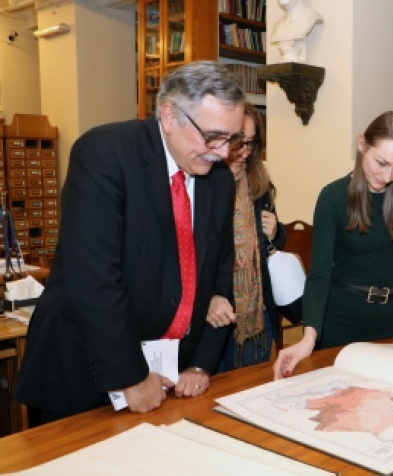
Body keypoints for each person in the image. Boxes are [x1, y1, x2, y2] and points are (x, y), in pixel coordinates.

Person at [14, 61, 245, 424]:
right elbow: (93, 279)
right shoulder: (105, 153)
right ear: (169, 116)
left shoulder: (219, 182)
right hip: (87, 373)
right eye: (213, 136)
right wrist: (130, 376)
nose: (223, 152)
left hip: (167, 378)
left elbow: (219, 277)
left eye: (232, 139)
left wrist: (200, 364)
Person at [273, 111, 393, 380]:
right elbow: (319, 273)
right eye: (381, 163)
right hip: (341, 320)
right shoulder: (333, 197)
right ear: (361, 145)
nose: (388, 176)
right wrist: (309, 336)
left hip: (389, 318)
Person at [205, 103, 287, 369]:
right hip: (217, 316)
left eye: (250, 143)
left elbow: (269, 248)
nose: (243, 152)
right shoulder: (202, 185)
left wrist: (276, 231)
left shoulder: (259, 186)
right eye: (238, 142)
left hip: (257, 318)